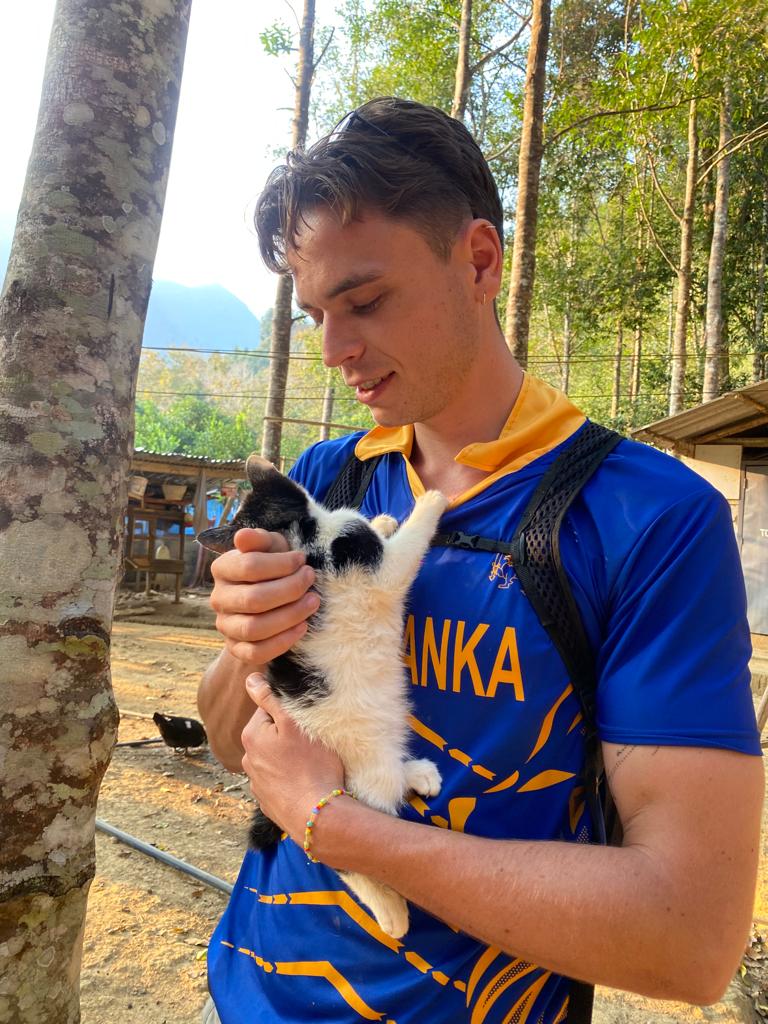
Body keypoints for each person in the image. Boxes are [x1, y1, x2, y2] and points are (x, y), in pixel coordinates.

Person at [197, 97, 763, 1024]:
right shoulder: (326, 479)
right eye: (315, 315)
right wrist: (247, 642)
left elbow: (691, 937)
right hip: (247, 994)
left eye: (366, 301)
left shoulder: (646, 520)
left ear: (480, 261)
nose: (335, 350)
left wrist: (339, 828)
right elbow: (234, 742)